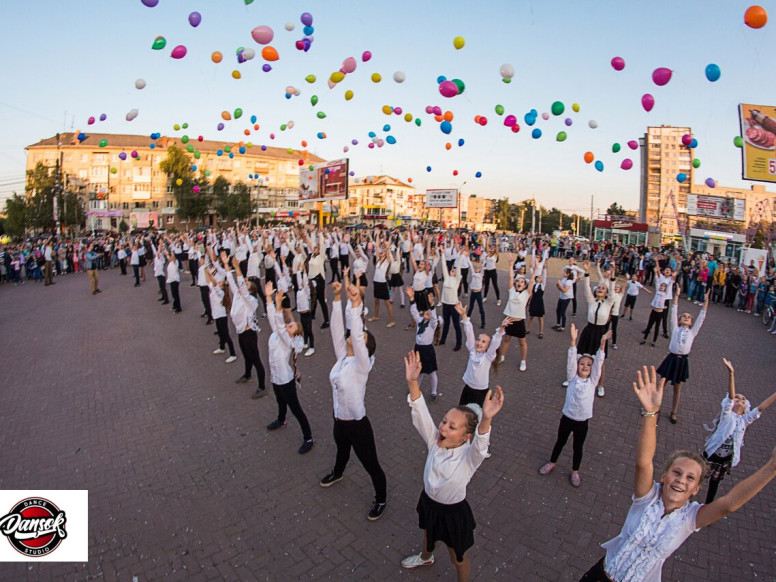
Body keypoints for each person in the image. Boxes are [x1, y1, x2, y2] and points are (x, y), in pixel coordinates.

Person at [579, 366, 776, 582]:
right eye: (677, 472)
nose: (681, 480)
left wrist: (771, 468)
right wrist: (651, 413)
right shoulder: (646, 498)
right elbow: (644, 462)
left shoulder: (691, 518)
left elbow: (729, 504)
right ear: (664, 476)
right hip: (599, 576)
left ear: (696, 489)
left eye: (690, 478)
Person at [400, 351, 504, 582]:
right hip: (428, 501)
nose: (443, 428)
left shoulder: (468, 458)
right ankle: (426, 556)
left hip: (453, 513)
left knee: (457, 556)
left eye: (452, 427)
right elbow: (421, 412)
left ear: (466, 436)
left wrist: (486, 419)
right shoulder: (434, 440)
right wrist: (412, 382)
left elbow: (480, 446)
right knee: (427, 532)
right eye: (444, 421)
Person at [319, 279, 387, 522]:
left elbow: (357, 336)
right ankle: (338, 473)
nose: (356, 337)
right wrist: (338, 298)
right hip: (339, 419)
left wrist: (356, 306)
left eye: (362, 340)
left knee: (370, 464)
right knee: (341, 450)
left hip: (358, 424)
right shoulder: (342, 357)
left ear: (365, 349)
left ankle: (381, 498)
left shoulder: (362, 365)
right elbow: (338, 330)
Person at [539, 324, 611, 487]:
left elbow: (599, 363)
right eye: (582, 364)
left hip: (582, 421)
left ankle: (575, 471)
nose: (585, 366)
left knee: (578, 447)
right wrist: (573, 342)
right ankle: (552, 462)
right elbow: (571, 361)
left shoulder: (592, 382)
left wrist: (602, 344)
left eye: (588, 365)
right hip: (567, 418)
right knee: (560, 441)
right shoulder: (572, 378)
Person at [702, 358, 776, 503]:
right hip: (711, 453)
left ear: (746, 407)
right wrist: (732, 374)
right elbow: (730, 397)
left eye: (743, 400)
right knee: (698, 475)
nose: (739, 400)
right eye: (737, 398)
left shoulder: (744, 420)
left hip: (724, 460)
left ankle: (707, 506)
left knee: (714, 483)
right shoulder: (727, 416)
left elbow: (761, 408)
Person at [263, 282, 315, 455]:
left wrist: (278, 304)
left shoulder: (289, 342)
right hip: (276, 377)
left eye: (291, 326)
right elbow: (273, 319)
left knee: (296, 409)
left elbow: (278, 323)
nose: (287, 325)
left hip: (286, 379)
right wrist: (268, 297)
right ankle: (281, 419)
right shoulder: (277, 334)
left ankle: (308, 438)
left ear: (295, 334)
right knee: (280, 401)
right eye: (288, 324)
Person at [656, 285, 709, 424]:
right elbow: (674, 310)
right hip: (671, 358)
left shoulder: (692, 332)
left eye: (688, 317)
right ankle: (655, 407)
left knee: (677, 388)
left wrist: (706, 301)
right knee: (661, 383)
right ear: (680, 320)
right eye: (684, 316)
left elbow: (701, 318)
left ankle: (674, 411)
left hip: (682, 361)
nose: (686, 318)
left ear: (691, 322)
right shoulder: (675, 328)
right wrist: (677, 295)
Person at [224, 252, 268, 399]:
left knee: (256, 359)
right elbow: (232, 282)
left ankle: (262, 387)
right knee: (246, 355)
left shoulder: (251, 301)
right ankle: (247, 375)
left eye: (247, 284)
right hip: (241, 332)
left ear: (251, 290)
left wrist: (237, 269)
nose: (244, 283)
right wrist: (226, 265)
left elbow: (241, 286)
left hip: (249, 333)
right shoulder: (239, 294)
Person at [457, 303, 510, 408]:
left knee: (478, 415)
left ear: (488, 347)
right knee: (463, 411)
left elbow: (495, 342)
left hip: (481, 392)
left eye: (484, 342)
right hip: (468, 389)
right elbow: (469, 333)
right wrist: (464, 315)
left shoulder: (488, 356)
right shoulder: (472, 351)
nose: (479, 343)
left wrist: (501, 328)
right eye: (479, 340)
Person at [407, 288, 440, 401]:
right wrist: (412, 298)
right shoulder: (419, 321)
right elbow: (414, 311)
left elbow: (435, 319)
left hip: (427, 350)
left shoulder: (432, 325)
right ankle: (416, 388)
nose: (427, 312)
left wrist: (432, 305)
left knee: (432, 373)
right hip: (418, 349)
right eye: (426, 311)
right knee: (418, 371)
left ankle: (434, 392)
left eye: (429, 312)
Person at [205, 265, 237, 364]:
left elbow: (213, 282)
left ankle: (233, 354)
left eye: (220, 283)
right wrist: (204, 270)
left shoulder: (221, 293)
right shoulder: (215, 290)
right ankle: (222, 347)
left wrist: (210, 273)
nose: (218, 283)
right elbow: (210, 282)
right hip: (216, 315)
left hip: (222, 316)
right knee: (220, 332)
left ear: (223, 287)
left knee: (226, 334)